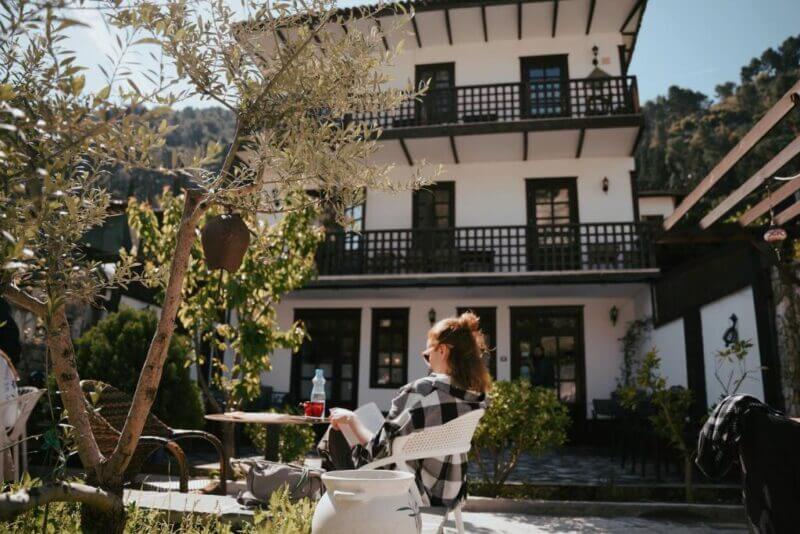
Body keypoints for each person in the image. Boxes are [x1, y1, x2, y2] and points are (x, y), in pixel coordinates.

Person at [318, 312, 490, 510]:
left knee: (336, 430)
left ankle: (338, 511)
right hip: (449, 491)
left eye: (428, 355)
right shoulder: (472, 397)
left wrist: (352, 419)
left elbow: (378, 451)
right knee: (364, 424)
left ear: (442, 351)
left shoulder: (423, 390)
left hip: (409, 488)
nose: (428, 360)